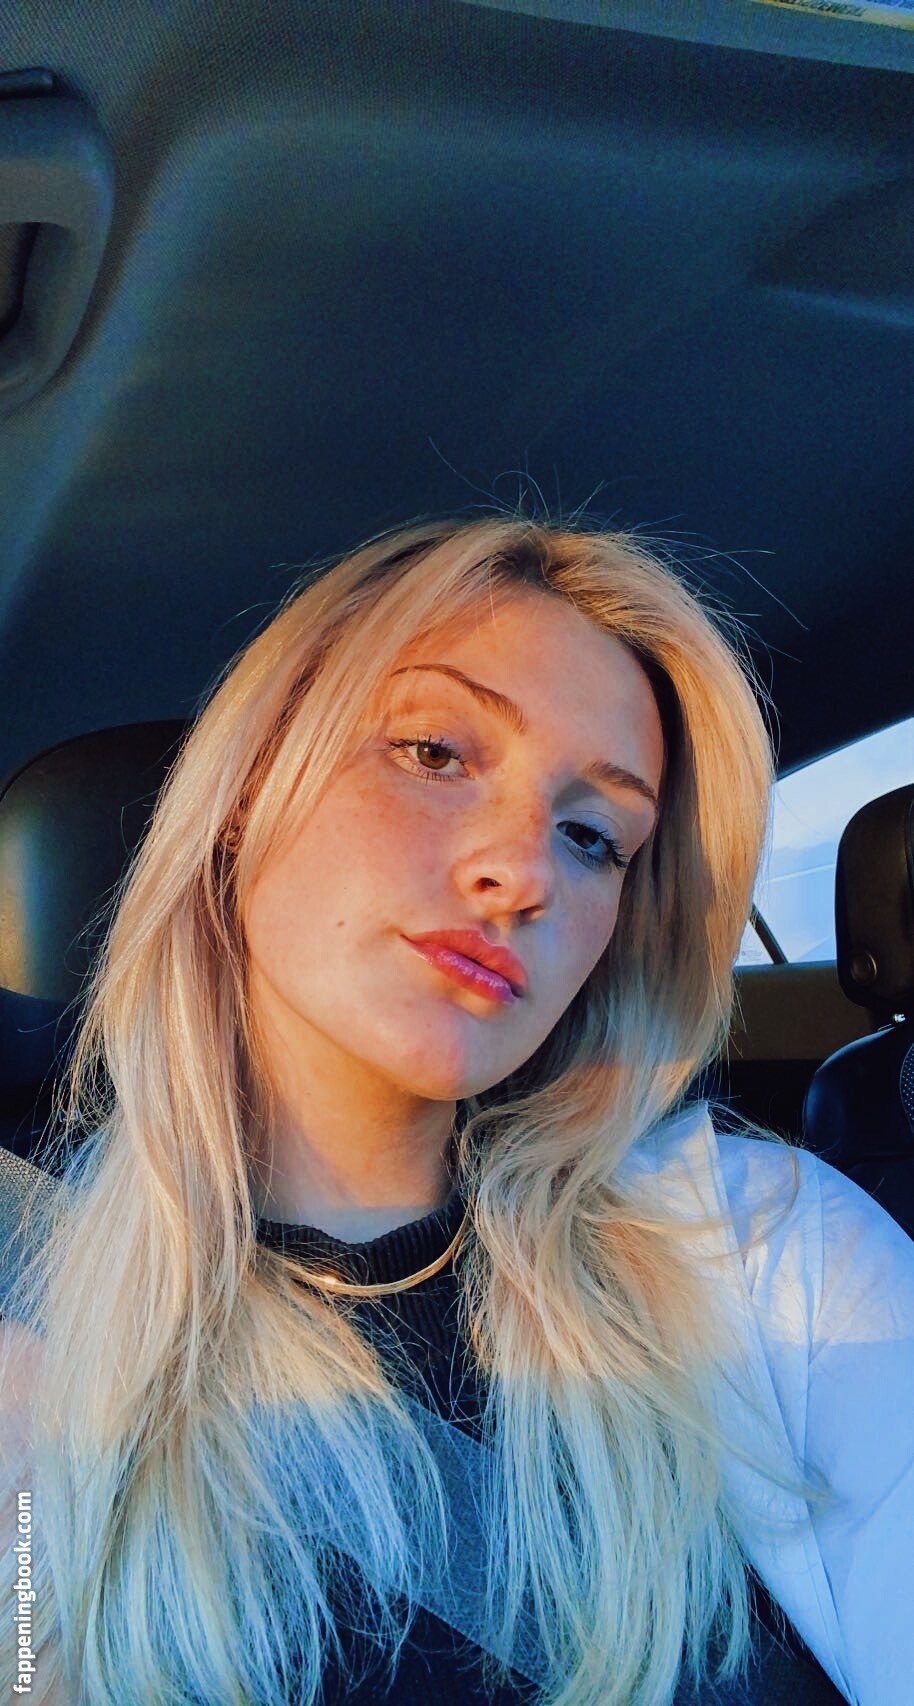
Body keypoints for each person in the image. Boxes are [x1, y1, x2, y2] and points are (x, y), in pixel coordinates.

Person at [0, 510, 911, 1705]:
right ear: (250, 784)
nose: (523, 871)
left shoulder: (768, 1257)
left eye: (591, 836)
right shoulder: (31, 1283)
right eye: (433, 750)